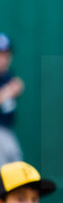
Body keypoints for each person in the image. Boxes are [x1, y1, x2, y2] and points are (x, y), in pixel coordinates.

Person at [0, 33, 24, 165]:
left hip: (7, 129)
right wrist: (8, 91)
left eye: (6, 54)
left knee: (15, 164)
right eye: (0, 54)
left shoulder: (8, 74)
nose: (4, 59)